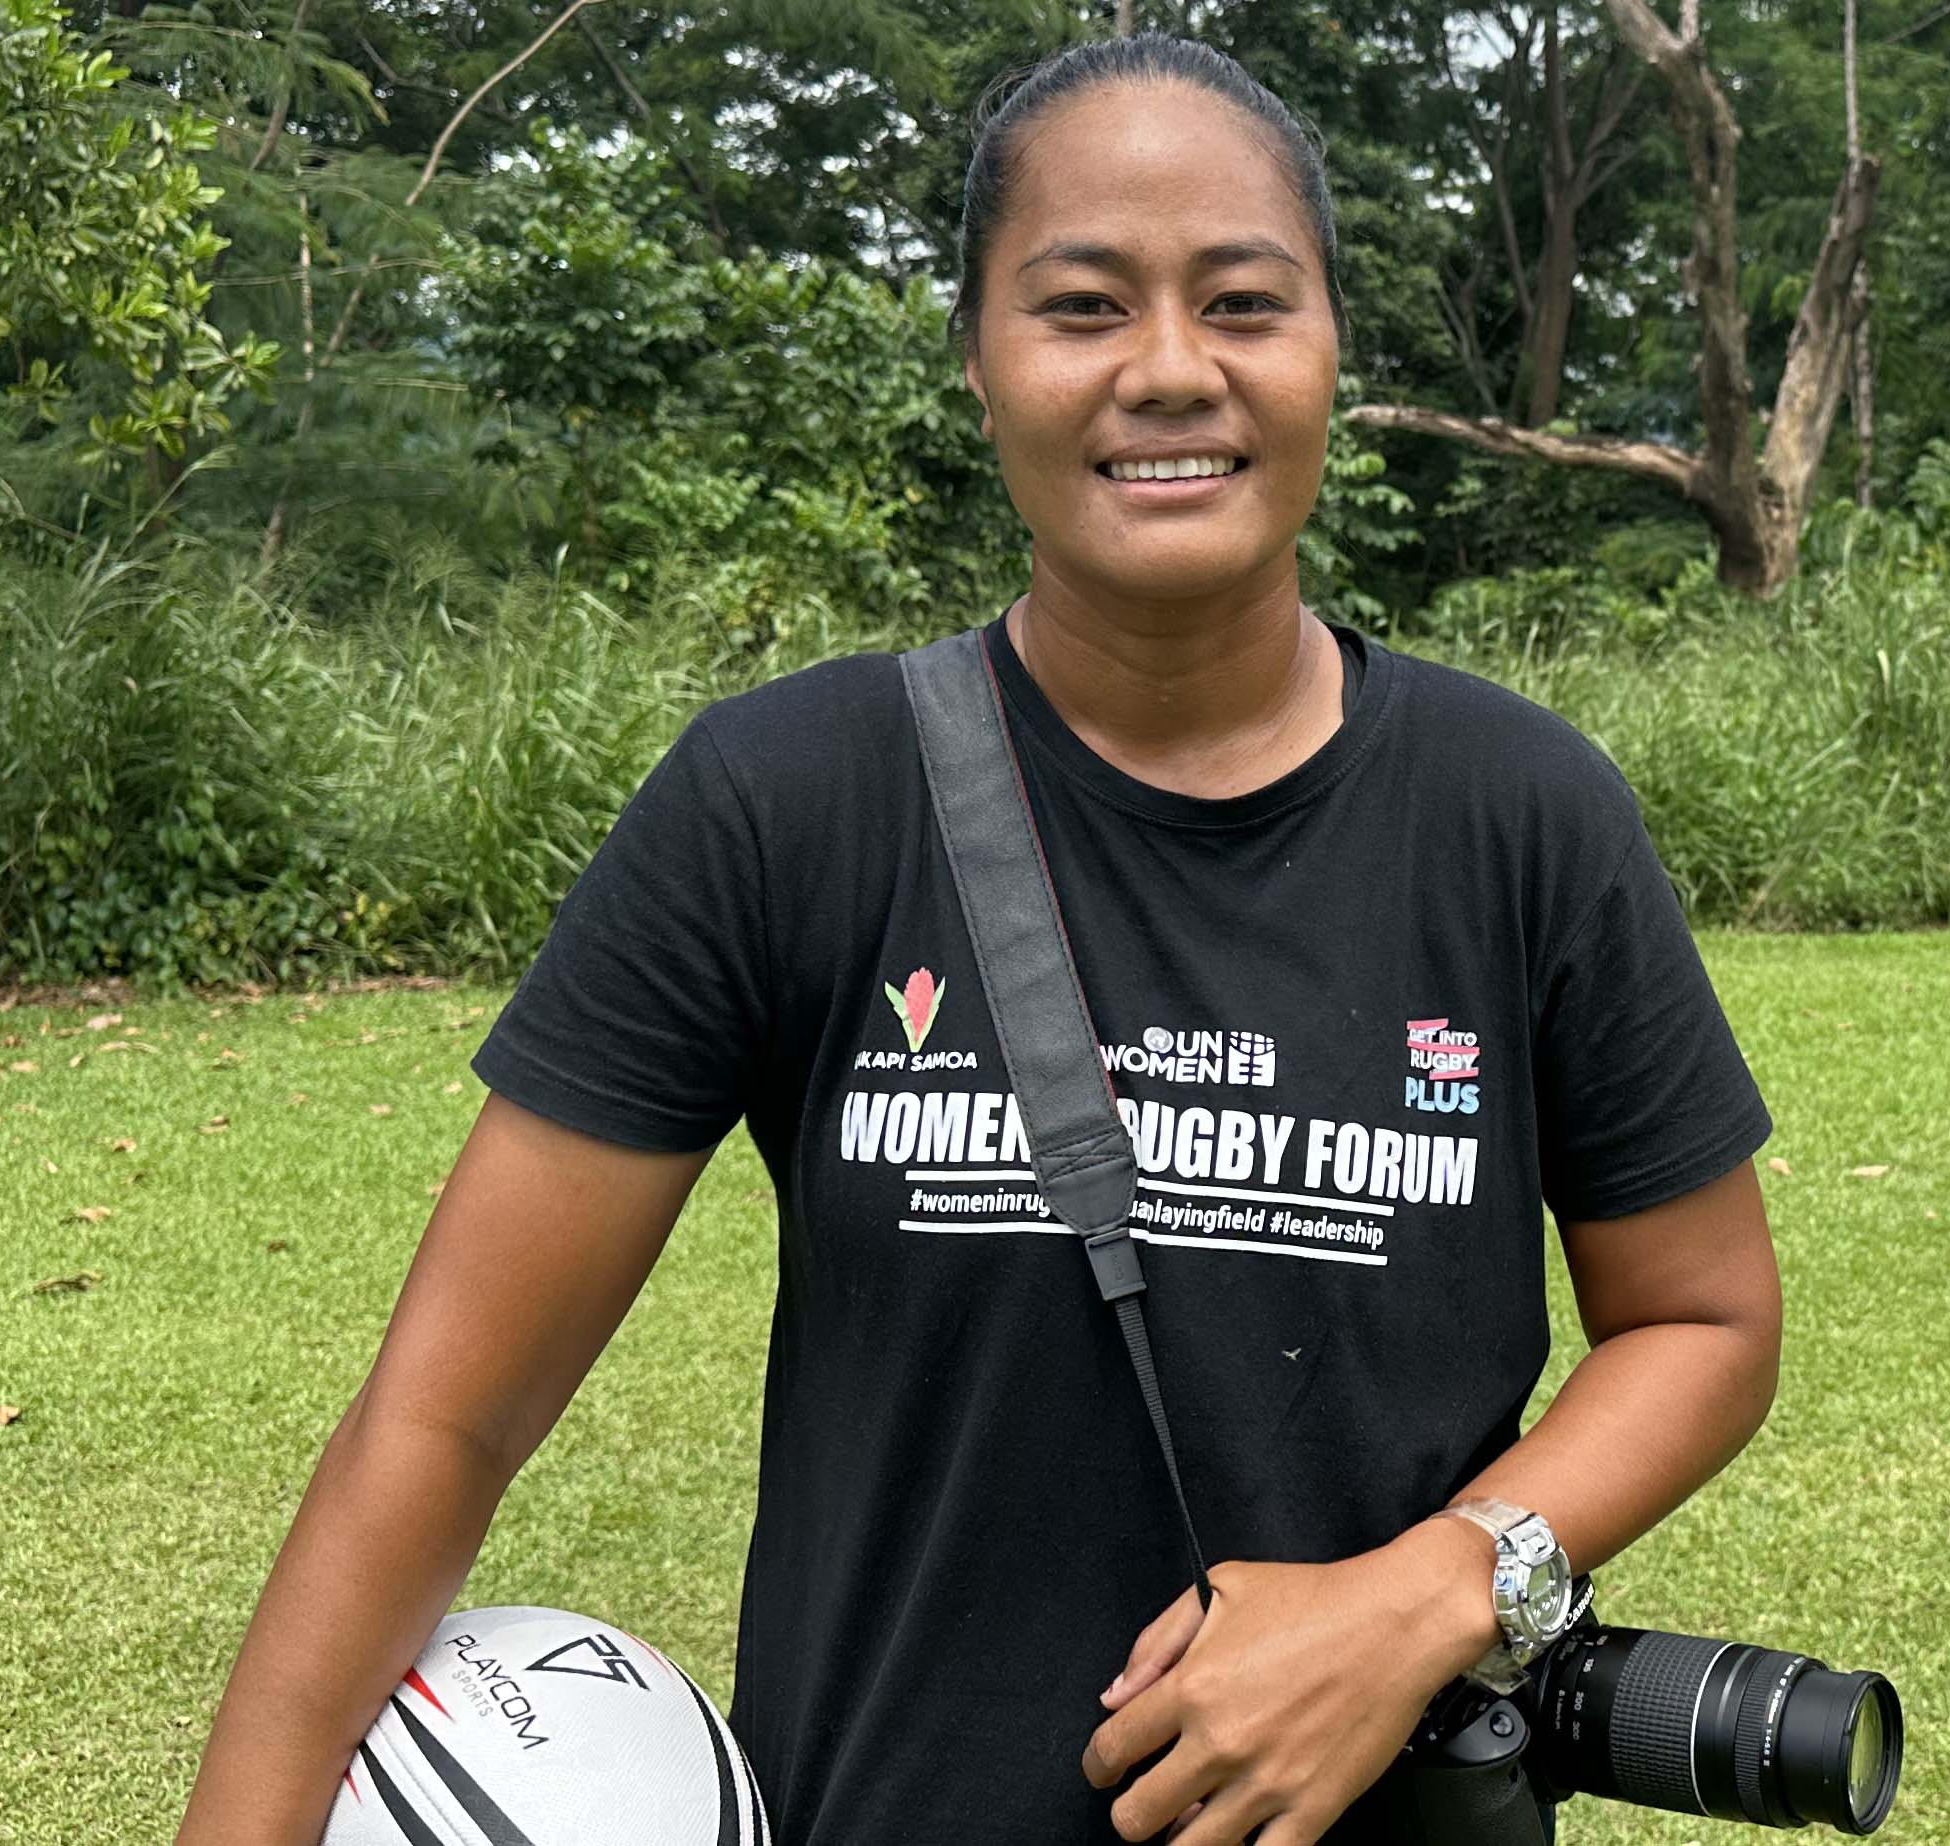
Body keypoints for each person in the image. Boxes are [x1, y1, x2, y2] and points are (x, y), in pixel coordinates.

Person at [169, 32, 1783, 1846]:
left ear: (1335, 343)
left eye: (1244, 301)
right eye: (1083, 305)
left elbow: (1705, 1318)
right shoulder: (786, 802)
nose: (1171, 371)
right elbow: (443, 1421)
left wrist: (1424, 1593)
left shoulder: (1522, 815)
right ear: (977, 357)